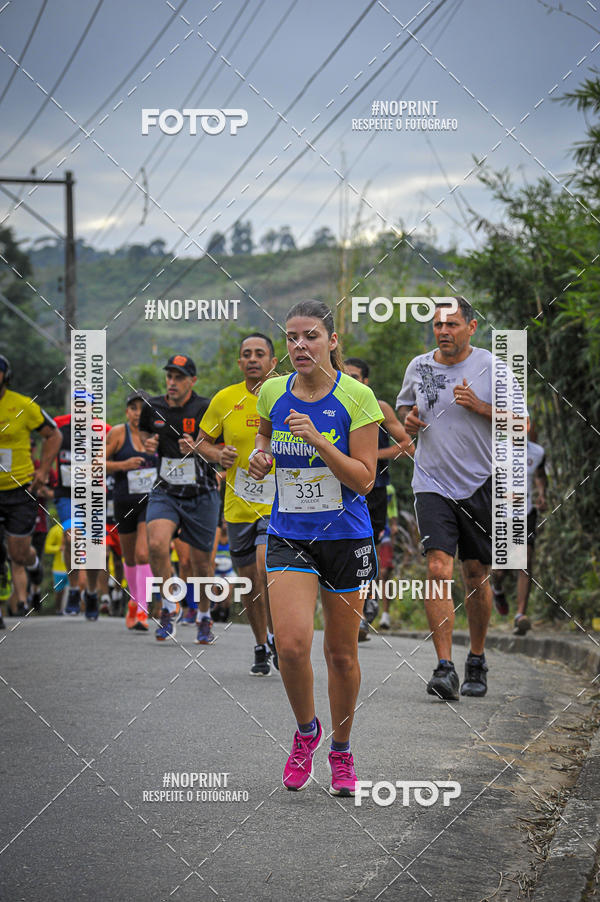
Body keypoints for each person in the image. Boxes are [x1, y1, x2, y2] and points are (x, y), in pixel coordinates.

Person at [249, 300, 382, 796]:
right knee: (291, 645)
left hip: (345, 535)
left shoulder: (357, 396)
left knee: (341, 654)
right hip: (289, 533)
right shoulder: (271, 394)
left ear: (331, 341)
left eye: (310, 336)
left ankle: (342, 751)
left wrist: (322, 443)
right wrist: (262, 459)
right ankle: (306, 733)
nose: (300, 345)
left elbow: (365, 480)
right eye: (291, 338)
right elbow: (263, 440)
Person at [396, 297, 527, 701]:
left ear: (471, 328)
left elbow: (522, 423)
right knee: (438, 568)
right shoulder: (419, 366)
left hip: (480, 484)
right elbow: (405, 406)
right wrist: (409, 420)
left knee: (475, 575)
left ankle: (475, 656)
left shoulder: (493, 367)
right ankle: (444, 667)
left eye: (452, 324)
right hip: (432, 482)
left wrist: (481, 407)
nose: (443, 331)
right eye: (438, 325)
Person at [198, 333, 279, 675]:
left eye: (260, 354)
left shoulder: (284, 394)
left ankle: (278, 636)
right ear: (239, 362)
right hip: (238, 504)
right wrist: (218, 453)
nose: (252, 359)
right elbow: (202, 442)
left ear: (273, 362)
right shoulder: (225, 399)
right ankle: (261, 644)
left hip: (277, 503)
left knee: (265, 567)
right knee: (248, 582)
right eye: (246, 354)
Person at [138, 355, 220, 642]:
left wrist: (198, 447)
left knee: (201, 563)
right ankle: (169, 606)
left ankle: (204, 615)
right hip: (166, 489)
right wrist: (148, 444)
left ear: (192, 381)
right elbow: (147, 434)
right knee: (157, 544)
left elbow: (220, 448)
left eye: (179, 377)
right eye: (169, 376)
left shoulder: (206, 407)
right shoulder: (153, 407)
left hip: (202, 491)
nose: (172, 382)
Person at [344, 357, 413, 640]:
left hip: (374, 489)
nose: (351, 381)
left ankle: (366, 605)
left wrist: (370, 457)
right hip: (340, 489)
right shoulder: (332, 403)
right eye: (345, 375)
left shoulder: (379, 407)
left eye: (356, 377)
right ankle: (354, 610)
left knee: (366, 547)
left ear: (366, 381)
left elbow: (406, 445)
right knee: (344, 549)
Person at [0, 355, 61, 615]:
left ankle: (34, 563)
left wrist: (44, 471)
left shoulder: (23, 405)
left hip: (20, 488)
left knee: (18, 554)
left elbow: (53, 434)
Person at [53, 395, 111, 620]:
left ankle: (92, 593)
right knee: (72, 540)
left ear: (93, 407)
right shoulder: (59, 424)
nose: (81, 408)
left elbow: (116, 444)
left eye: (86, 404)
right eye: (78, 403)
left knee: (97, 547)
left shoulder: (103, 429)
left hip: (94, 495)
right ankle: (75, 589)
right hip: (67, 494)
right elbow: (41, 434)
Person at [106, 390, 157, 632]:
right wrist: (122, 465)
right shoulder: (117, 433)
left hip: (151, 501)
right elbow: (96, 463)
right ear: (127, 411)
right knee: (128, 558)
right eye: (133, 408)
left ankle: (142, 609)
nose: (138, 413)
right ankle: (134, 600)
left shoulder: (158, 433)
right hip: (123, 501)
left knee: (143, 554)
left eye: (143, 408)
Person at [491, 429, 547, 636]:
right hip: (501, 514)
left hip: (526, 513)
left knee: (525, 560)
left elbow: (540, 476)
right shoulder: (498, 450)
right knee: (499, 570)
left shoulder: (537, 452)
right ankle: (497, 589)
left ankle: (520, 616)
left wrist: (541, 493)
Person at [378, 484, 399, 630]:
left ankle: (385, 614)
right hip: (366, 532)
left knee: (385, 573)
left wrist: (394, 524)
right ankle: (364, 613)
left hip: (384, 533)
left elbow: (392, 509)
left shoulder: (389, 489)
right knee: (368, 573)